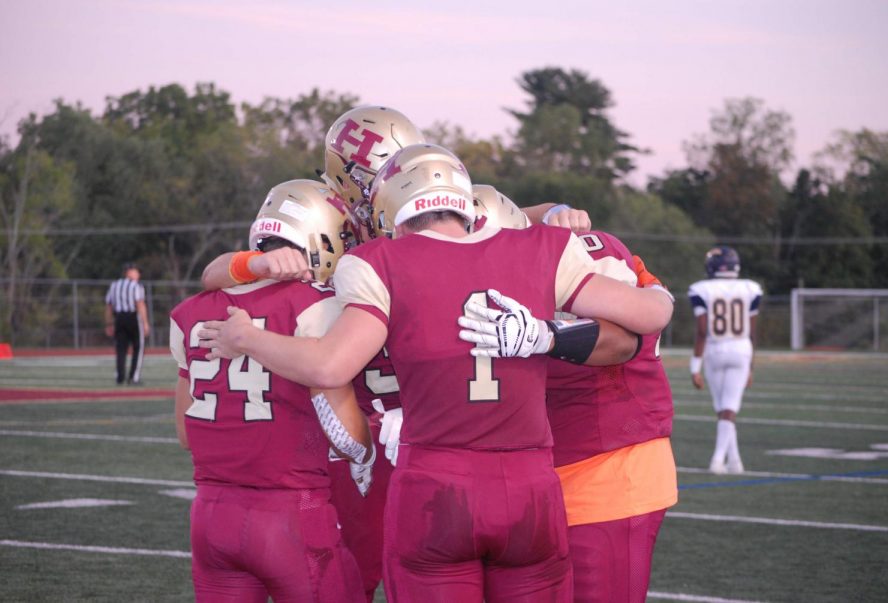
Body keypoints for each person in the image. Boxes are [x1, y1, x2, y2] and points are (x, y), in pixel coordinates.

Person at [199, 144, 674, 602]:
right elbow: (648, 317)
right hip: (530, 487)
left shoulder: (374, 262)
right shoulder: (544, 248)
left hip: (436, 483)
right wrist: (650, 292)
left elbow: (328, 366)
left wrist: (247, 339)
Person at [460, 191, 678, 603]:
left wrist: (546, 336)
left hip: (609, 460)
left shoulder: (586, 253)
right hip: (532, 470)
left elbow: (629, 337)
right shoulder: (476, 257)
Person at [170, 179, 373, 602]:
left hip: (210, 517)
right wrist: (367, 449)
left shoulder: (189, 312)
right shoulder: (318, 305)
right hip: (292, 515)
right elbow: (344, 431)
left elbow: (188, 433)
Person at [688, 246, 763, 474]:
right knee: (727, 409)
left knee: (724, 408)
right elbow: (752, 331)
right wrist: (751, 366)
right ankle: (734, 461)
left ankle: (719, 460)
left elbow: (702, 331)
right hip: (741, 349)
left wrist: (695, 367)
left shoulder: (701, 289)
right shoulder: (750, 288)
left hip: (715, 350)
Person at [104, 262, 150, 384]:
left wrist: (109, 323)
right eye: (136, 271)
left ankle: (120, 377)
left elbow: (109, 306)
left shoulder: (114, 285)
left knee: (120, 348)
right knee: (138, 347)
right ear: (129, 272)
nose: (138, 274)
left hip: (119, 318)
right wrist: (145, 323)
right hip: (133, 317)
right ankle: (133, 377)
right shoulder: (136, 286)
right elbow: (140, 304)